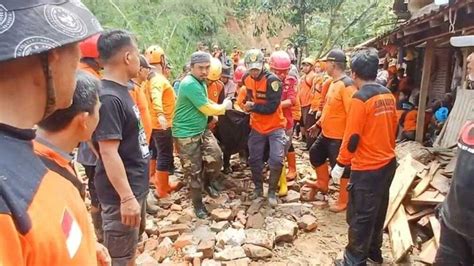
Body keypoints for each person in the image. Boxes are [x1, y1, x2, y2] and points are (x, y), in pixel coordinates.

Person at [0, 1, 103, 265]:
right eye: (77, 49)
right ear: (53, 53)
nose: (79, 62)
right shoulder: (9, 200)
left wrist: (85, 246)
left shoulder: (27, 153)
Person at [34, 70, 111, 264]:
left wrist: (89, 244)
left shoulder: (51, 158)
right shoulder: (42, 182)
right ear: (83, 121)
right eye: (99, 109)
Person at [332, 48, 398, 266]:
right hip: (388, 163)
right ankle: (373, 253)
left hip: (367, 167)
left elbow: (352, 137)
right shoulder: (388, 95)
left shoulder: (360, 99)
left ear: (354, 73)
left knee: (359, 216)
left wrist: (341, 164)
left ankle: (353, 261)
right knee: (377, 212)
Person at [94, 30, 150, 265]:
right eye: (137, 54)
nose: (139, 60)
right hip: (121, 197)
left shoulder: (120, 91)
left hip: (133, 187)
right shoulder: (109, 98)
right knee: (119, 257)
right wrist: (126, 198)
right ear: (128, 57)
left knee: (129, 248)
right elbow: (106, 150)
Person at [172, 52, 233, 218]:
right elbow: (206, 107)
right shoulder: (189, 83)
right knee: (193, 170)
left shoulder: (201, 83)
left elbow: (206, 102)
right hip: (186, 133)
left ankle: (208, 183)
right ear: (191, 67)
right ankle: (198, 204)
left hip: (201, 129)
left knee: (216, 156)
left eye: (207, 68)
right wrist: (223, 107)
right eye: (200, 68)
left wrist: (218, 106)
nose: (205, 71)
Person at [304, 49, 356, 213]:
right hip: (326, 133)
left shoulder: (347, 86)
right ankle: (322, 183)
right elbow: (329, 109)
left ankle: (343, 200)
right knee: (315, 154)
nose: (324, 65)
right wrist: (318, 124)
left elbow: (353, 114)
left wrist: (349, 140)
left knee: (342, 169)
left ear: (333, 64)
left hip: (339, 137)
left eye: (326, 62)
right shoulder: (332, 83)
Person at [242, 49, 286, 207]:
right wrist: (246, 104)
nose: (254, 71)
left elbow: (272, 107)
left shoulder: (273, 81)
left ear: (262, 65)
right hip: (257, 126)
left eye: (256, 68)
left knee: (276, 159)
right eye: (251, 68)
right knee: (254, 159)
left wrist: (252, 107)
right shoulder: (246, 78)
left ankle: (272, 191)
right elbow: (248, 95)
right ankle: (258, 188)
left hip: (275, 126)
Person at [144, 45, 181, 198]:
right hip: (162, 124)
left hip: (152, 123)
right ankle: (163, 188)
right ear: (162, 60)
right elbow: (156, 96)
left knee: (154, 151)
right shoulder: (158, 80)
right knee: (164, 155)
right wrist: (160, 114)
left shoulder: (149, 78)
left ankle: (152, 177)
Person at [77, 33, 103, 241]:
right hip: (94, 146)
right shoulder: (91, 80)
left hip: (88, 147)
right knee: (99, 188)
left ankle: (99, 229)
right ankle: (101, 231)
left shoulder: (78, 73)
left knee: (95, 188)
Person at [269, 51, 297, 191]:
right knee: (274, 154)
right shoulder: (265, 81)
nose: (282, 75)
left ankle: (282, 183)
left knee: (282, 152)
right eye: (278, 72)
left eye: (284, 72)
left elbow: (292, 100)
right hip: (269, 124)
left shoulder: (290, 81)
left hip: (286, 123)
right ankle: (277, 178)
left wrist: (274, 105)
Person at [298, 57, 318, 150]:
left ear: (311, 67)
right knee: (304, 123)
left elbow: (315, 91)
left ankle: (310, 145)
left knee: (308, 124)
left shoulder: (313, 77)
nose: (305, 67)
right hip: (302, 103)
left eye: (307, 65)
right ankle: (306, 141)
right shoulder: (303, 77)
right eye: (304, 65)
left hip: (309, 104)